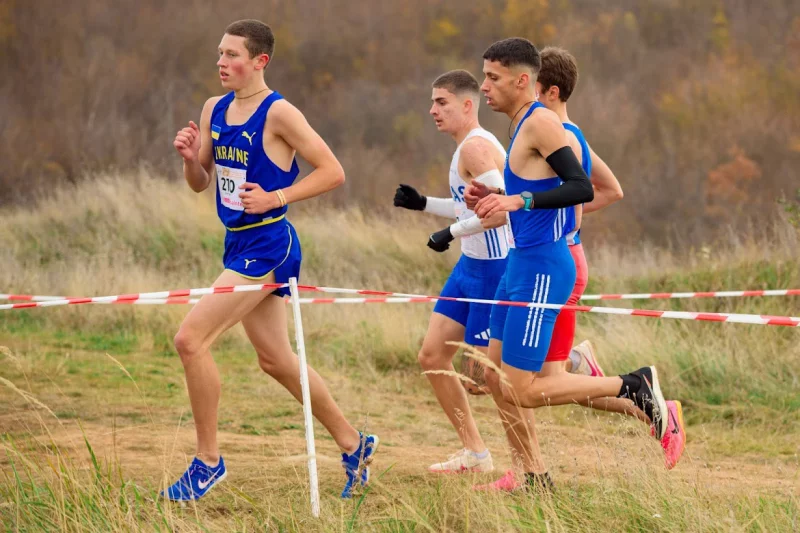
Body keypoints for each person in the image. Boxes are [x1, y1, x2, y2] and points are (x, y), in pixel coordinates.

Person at [167, 19, 377, 501]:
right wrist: (190, 160)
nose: (221, 63)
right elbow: (201, 183)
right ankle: (354, 443)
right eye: (219, 53)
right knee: (276, 360)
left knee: (190, 340)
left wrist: (277, 197)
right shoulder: (214, 108)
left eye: (232, 55)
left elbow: (333, 172)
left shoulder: (279, 113)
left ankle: (207, 463)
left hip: (269, 245)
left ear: (260, 61)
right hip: (237, 242)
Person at [467, 47, 685, 491]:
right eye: (484, 76)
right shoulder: (522, 125)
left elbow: (582, 188)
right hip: (520, 263)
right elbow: (540, 193)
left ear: (524, 81)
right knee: (494, 375)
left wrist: (519, 200)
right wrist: (497, 202)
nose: (484, 87)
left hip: (543, 268)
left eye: (492, 78)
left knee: (526, 388)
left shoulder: (545, 124)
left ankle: (633, 385)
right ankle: (532, 477)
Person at [392, 70, 509, 474]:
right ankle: (475, 454)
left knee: (483, 380)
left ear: (467, 104)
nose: (433, 110)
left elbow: (501, 211)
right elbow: (467, 206)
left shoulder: (476, 148)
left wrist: (451, 233)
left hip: (493, 271)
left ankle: (571, 363)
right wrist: (423, 204)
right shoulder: (465, 149)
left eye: (441, 102)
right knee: (432, 356)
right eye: (432, 102)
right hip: (468, 268)